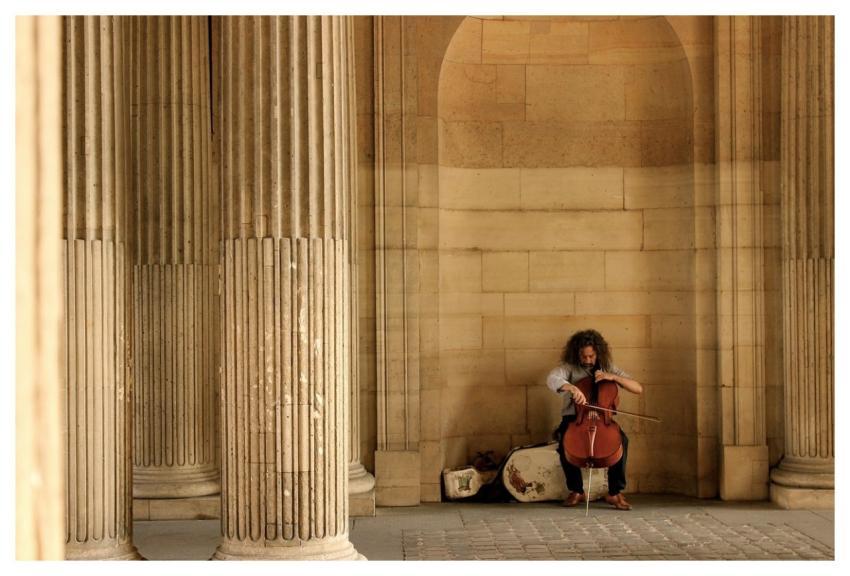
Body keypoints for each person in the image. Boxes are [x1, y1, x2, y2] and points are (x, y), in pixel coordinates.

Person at [546, 329, 643, 510]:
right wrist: (571, 388)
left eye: (591, 356)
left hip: (602, 419)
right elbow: (552, 378)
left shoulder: (607, 367)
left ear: (598, 352)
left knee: (622, 442)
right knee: (564, 444)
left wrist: (613, 377)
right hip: (576, 417)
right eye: (584, 357)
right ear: (577, 354)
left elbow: (637, 388)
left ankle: (614, 492)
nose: (588, 360)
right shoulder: (569, 368)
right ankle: (576, 490)